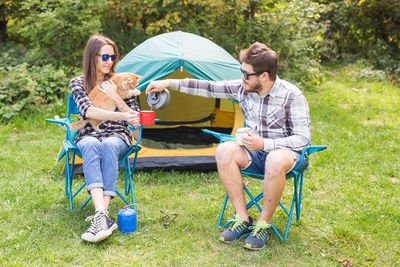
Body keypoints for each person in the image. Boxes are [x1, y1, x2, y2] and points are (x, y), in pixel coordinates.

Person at [146, 42, 311, 250]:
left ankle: (263, 224)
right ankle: (243, 218)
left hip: (287, 155)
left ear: (264, 76)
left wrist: (266, 143)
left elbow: (303, 139)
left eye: (246, 73)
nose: (242, 77)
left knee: (275, 158)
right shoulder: (243, 88)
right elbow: (207, 87)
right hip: (255, 153)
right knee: (224, 150)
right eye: (241, 71)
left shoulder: (292, 95)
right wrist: (168, 84)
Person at [69, 34, 140, 243]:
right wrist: (121, 115)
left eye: (113, 57)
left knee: (109, 144)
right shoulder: (78, 83)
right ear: (93, 57)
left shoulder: (123, 80)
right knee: (91, 143)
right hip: (89, 132)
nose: (110, 61)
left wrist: (117, 95)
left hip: (118, 135)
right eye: (105, 57)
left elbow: (134, 121)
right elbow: (88, 111)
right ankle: (102, 214)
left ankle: (101, 217)